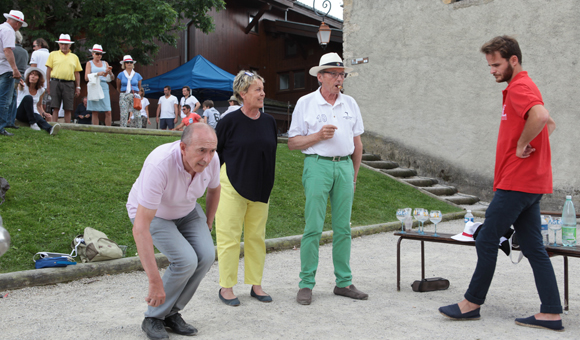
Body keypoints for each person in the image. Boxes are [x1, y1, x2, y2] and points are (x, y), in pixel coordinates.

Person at [439, 36, 562, 331]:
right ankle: (551, 312)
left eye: (496, 64)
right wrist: (530, 147)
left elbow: (543, 117)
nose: (492, 70)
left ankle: (471, 303)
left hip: (517, 183)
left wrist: (521, 146)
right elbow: (550, 124)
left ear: (513, 60)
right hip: (530, 184)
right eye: (490, 65)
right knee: (533, 247)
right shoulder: (525, 87)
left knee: (486, 238)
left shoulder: (520, 87)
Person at [127, 123, 220, 339]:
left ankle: (171, 312)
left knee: (206, 256)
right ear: (182, 148)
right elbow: (140, 228)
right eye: (201, 151)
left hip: (187, 210)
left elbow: (215, 190)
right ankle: (153, 317)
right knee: (186, 260)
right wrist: (154, 281)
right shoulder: (159, 164)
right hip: (154, 213)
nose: (207, 158)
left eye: (212, 150)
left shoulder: (212, 160)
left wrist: (208, 221)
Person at [288, 52, 366, 305]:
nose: (339, 78)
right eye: (333, 73)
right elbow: (292, 143)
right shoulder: (305, 103)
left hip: (343, 166)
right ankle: (306, 284)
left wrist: (353, 175)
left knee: (344, 228)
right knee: (313, 227)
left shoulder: (350, 103)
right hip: (317, 165)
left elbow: (357, 143)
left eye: (341, 74)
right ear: (320, 77)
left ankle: (343, 282)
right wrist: (318, 136)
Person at [215, 70, 277, 306]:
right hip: (231, 186)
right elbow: (216, 154)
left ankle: (256, 285)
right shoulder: (229, 121)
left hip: (261, 189)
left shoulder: (269, 122)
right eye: (257, 90)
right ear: (243, 94)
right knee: (229, 238)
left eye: (262, 89)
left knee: (256, 238)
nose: (263, 93)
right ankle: (226, 287)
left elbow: (271, 154)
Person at [45, 33, 82, 123]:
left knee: (68, 107)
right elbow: (48, 70)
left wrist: (78, 86)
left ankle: (67, 127)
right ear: (59, 44)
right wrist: (48, 85)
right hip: (55, 82)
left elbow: (77, 73)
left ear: (69, 45)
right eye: (62, 44)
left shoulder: (74, 57)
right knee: (55, 106)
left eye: (65, 44)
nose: (63, 46)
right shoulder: (53, 54)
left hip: (69, 83)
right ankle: (54, 125)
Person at [0, 10, 26, 137]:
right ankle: (1, 127)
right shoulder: (9, 31)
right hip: (5, 68)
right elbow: (7, 50)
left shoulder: (1, 28)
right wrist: (15, 69)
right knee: (5, 100)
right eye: (20, 24)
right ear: (17, 23)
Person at [15, 67, 60, 135]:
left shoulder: (41, 90)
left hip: (33, 113)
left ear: (39, 78)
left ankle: (50, 129)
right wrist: (21, 85)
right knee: (28, 98)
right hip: (20, 113)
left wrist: (44, 113)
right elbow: (21, 88)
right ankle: (32, 123)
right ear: (28, 76)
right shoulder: (23, 85)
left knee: (39, 118)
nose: (33, 76)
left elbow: (39, 105)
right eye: (31, 74)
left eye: (35, 75)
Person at [85, 44, 113, 126]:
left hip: (104, 85)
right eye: (97, 53)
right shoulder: (89, 63)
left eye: (100, 54)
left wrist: (110, 73)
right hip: (94, 85)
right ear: (93, 53)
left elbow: (112, 78)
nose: (99, 55)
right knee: (95, 110)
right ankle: (95, 130)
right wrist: (97, 74)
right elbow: (86, 77)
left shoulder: (105, 63)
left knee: (108, 110)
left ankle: (108, 130)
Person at [5, 30, 28, 130]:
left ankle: (4, 121)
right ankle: (11, 121)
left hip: (9, 77)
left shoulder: (10, 50)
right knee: (14, 100)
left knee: (6, 101)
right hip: (19, 80)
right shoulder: (25, 52)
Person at [116, 55, 142, 128]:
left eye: (131, 62)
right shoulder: (121, 74)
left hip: (135, 95)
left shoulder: (137, 75)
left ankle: (139, 129)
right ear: (124, 64)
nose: (129, 63)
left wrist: (137, 93)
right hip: (124, 94)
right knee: (123, 114)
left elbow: (139, 86)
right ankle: (123, 129)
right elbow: (118, 86)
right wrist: (122, 93)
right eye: (127, 62)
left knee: (137, 114)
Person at [29, 38, 50, 110]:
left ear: (40, 45)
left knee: (35, 103)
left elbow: (33, 68)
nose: (33, 48)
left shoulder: (35, 53)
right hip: (47, 83)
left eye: (34, 46)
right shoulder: (50, 55)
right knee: (43, 103)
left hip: (36, 82)